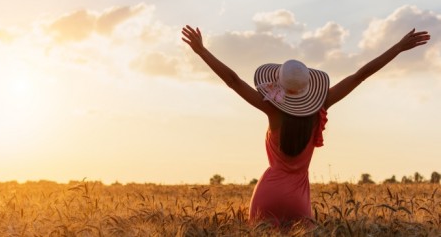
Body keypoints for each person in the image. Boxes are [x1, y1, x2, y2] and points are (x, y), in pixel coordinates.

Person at [181, 25, 430, 226]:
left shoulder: (273, 112)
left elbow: (233, 80)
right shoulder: (321, 106)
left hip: (266, 195)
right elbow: (359, 75)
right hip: (298, 200)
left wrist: (202, 51)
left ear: (280, 84)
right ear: (308, 88)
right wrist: (397, 48)